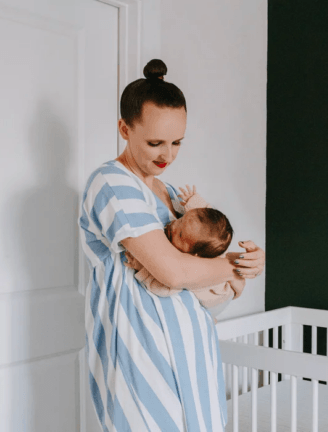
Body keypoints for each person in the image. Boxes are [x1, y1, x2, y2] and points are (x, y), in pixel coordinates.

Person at [79, 59, 265, 431]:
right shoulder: (111, 183)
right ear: (124, 128)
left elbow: (204, 293)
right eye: (155, 143)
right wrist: (233, 263)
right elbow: (173, 272)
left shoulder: (176, 197)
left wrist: (241, 269)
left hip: (193, 348)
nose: (167, 155)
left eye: (177, 142)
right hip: (140, 349)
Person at [124, 185, 245, 320]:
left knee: (201, 310)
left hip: (217, 302)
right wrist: (194, 202)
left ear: (194, 255)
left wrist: (141, 267)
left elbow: (164, 289)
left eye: (180, 234)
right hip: (225, 283)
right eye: (181, 219)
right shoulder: (203, 243)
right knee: (215, 238)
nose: (174, 225)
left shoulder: (192, 270)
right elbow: (210, 220)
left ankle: (211, 318)